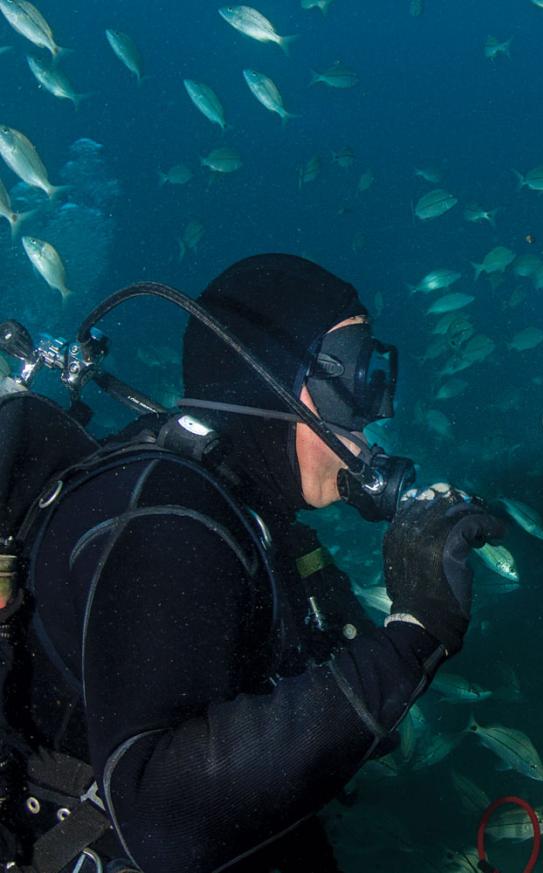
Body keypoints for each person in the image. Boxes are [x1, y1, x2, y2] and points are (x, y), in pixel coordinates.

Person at [9, 254, 502, 872]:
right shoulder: (173, 523)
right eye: (355, 375)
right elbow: (158, 815)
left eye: (378, 376)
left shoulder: (259, 522)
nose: (378, 411)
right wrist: (414, 635)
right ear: (267, 375)